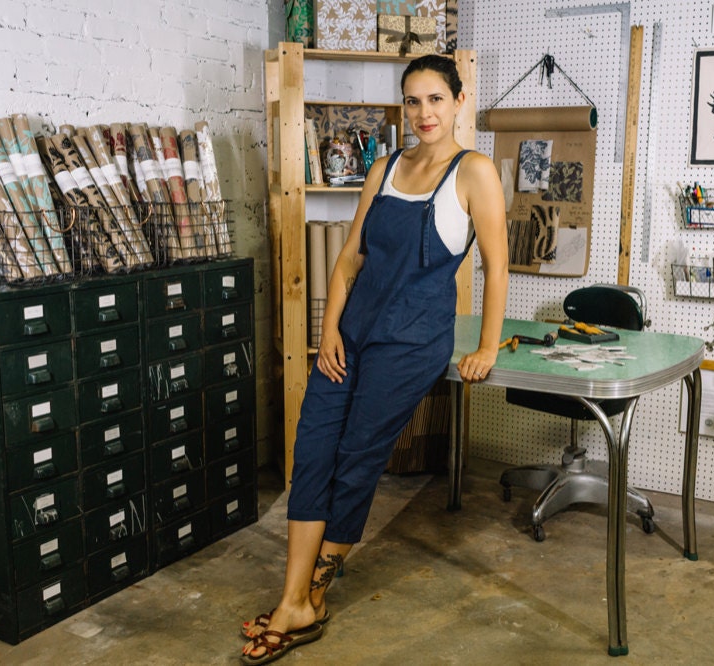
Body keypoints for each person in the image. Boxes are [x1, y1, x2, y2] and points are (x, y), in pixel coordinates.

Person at [240, 53, 509, 665]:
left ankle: (308, 597)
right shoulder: (386, 166)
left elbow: (498, 265)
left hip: (412, 342)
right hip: (352, 335)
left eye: (435, 99)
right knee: (312, 451)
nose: (423, 113)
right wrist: (329, 328)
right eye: (412, 101)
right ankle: (295, 600)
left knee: (357, 458)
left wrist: (488, 346)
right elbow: (349, 258)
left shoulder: (475, 173)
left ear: (458, 101)